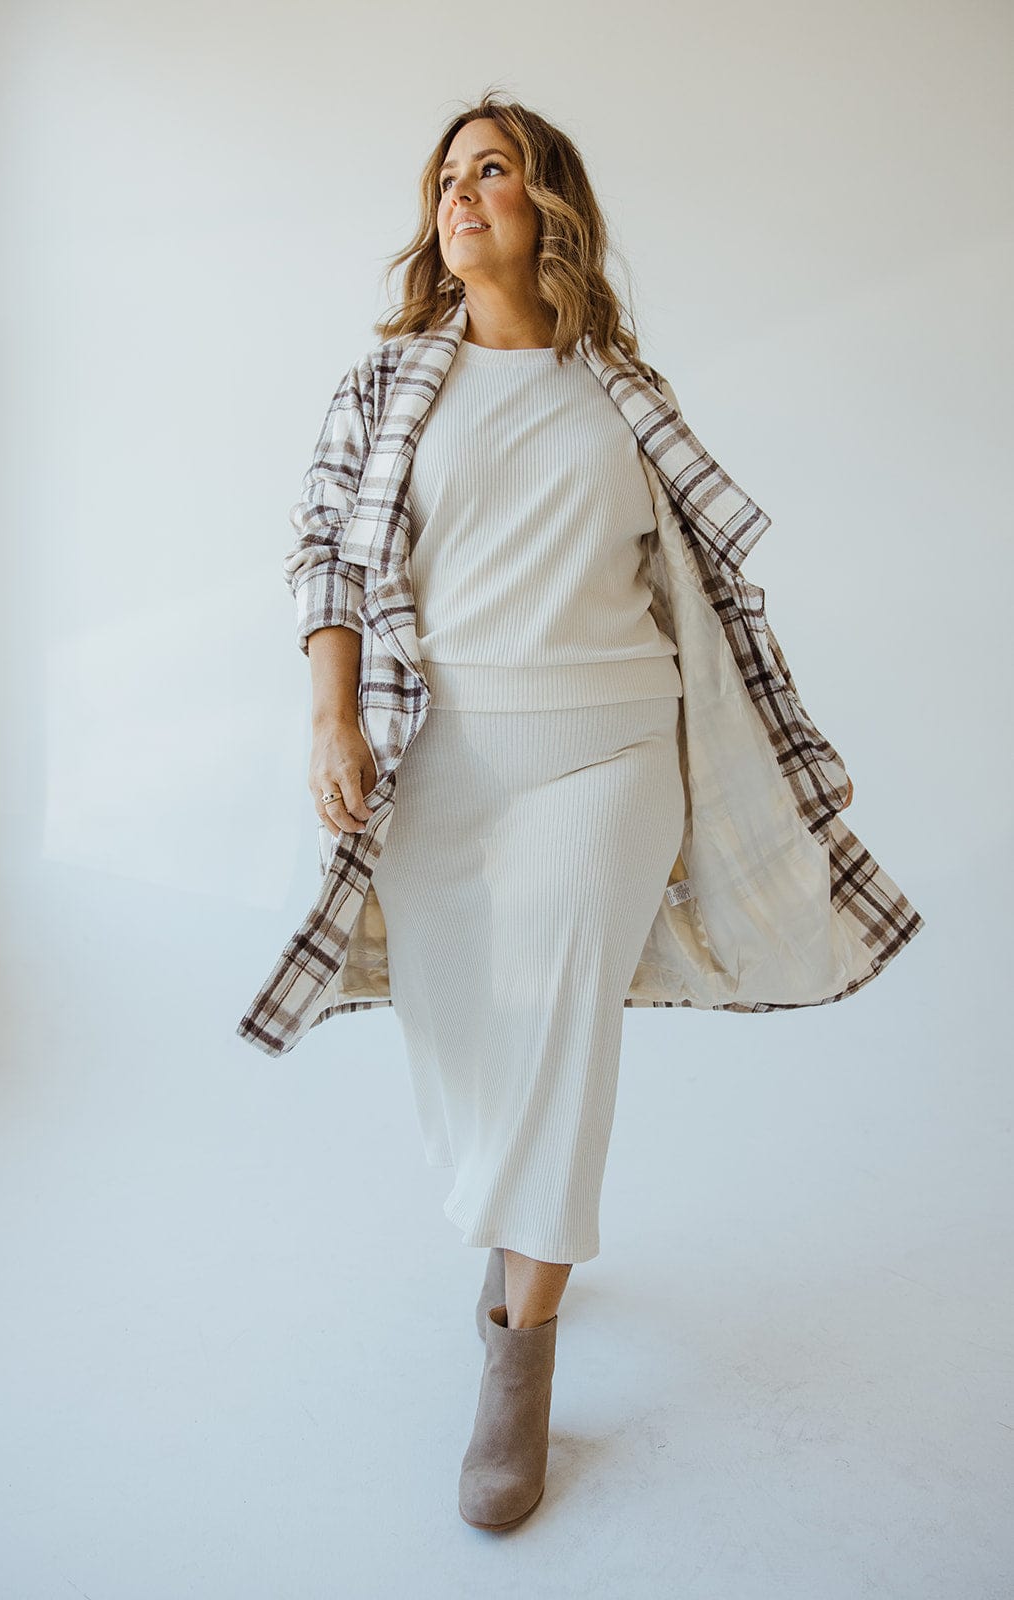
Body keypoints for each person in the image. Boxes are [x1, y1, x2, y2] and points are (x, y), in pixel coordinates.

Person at [307, 90, 687, 1533]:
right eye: (449, 176)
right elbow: (327, 560)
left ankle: (518, 1361)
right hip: (444, 760)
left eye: (497, 173)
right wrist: (333, 715)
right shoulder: (386, 383)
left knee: (569, 1026)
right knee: (471, 1036)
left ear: (552, 212)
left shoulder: (629, 394)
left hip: (611, 745)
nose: (464, 195)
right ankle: (512, 1229)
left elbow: (699, 585)